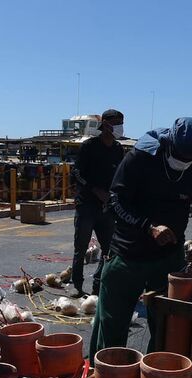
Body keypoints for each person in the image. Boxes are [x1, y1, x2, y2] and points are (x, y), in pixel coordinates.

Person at [89, 117, 192, 360]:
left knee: (167, 326)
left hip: (168, 258)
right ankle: (104, 376)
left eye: (189, 159)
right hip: (127, 255)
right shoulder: (140, 159)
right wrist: (148, 227)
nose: (183, 162)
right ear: (168, 143)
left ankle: (155, 377)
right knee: (111, 322)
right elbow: (115, 201)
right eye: (179, 156)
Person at [71, 109, 125, 297]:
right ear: (106, 124)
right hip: (86, 205)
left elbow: (122, 177)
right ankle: (77, 285)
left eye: (121, 122)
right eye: (116, 122)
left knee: (109, 249)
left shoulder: (119, 149)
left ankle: (98, 282)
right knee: (81, 248)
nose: (119, 126)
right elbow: (77, 173)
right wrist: (95, 190)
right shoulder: (89, 146)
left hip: (107, 208)